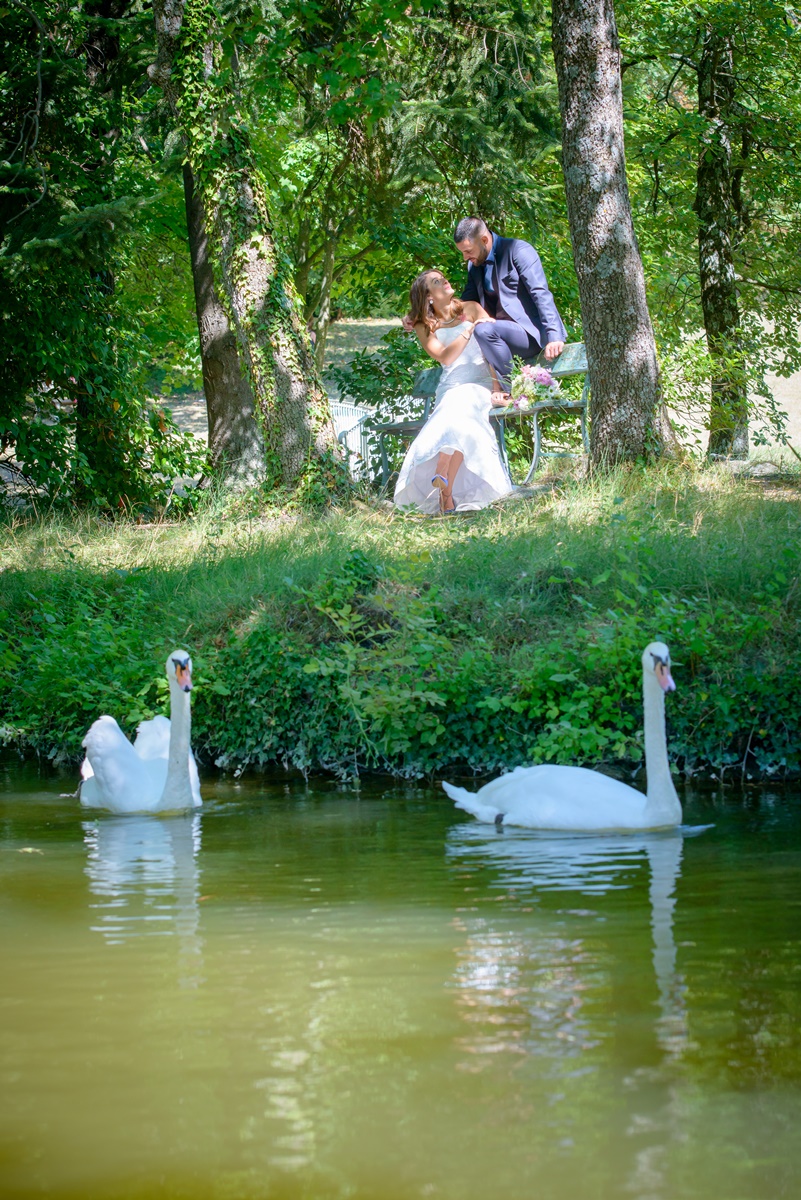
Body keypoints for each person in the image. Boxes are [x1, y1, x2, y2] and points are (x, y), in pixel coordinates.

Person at [394, 269, 513, 515]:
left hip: (480, 384)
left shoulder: (471, 308)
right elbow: (445, 357)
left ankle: (443, 476)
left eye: (443, 277)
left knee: (462, 407)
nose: (445, 280)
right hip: (452, 386)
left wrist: (496, 388)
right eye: (437, 281)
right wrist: (468, 331)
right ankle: (445, 489)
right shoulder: (424, 325)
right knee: (458, 415)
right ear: (428, 296)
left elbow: (490, 349)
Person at [455, 216, 566, 392]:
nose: (465, 257)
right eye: (462, 252)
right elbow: (465, 302)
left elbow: (540, 293)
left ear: (484, 240)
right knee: (477, 332)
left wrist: (554, 336)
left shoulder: (518, 250)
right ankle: (512, 392)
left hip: (530, 334)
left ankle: (515, 393)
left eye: (468, 251)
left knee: (483, 329)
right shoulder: (474, 266)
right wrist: (422, 315)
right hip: (500, 340)